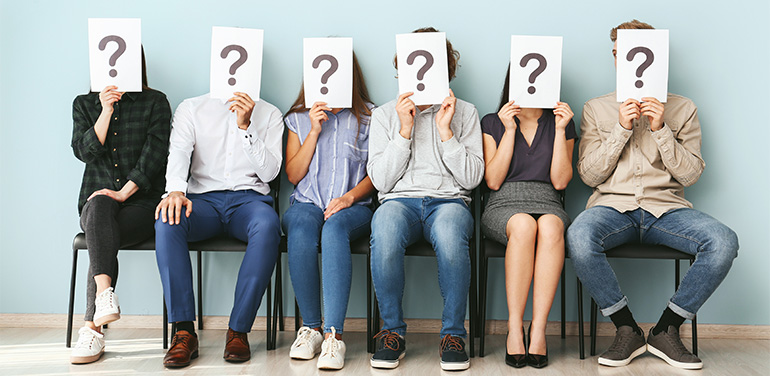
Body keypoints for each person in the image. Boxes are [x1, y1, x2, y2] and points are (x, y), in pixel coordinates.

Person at [566, 19, 739, 370]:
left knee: (723, 241)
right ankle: (625, 328)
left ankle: (667, 329)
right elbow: (588, 175)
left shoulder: (683, 108)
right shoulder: (596, 108)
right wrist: (620, 128)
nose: (621, 61)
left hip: (668, 210)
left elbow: (690, 174)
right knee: (579, 236)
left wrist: (661, 130)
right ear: (616, 56)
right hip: (613, 208)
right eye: (618, 54)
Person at [367, 27, 484, 371]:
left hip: (449, 202)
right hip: (397, 202)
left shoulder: (466, 113)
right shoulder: (385, 115)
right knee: (384, 229)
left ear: (445, 71)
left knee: (450, 235)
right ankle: (392, 332)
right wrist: (404, 130)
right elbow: (380, 180)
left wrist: (446, 131)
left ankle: (453, 335)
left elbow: (472, 179)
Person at [154, 89, 283, 368]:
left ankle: (239, 330)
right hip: (202, 202)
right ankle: (184, 330)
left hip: (249, 202)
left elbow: (270, 174)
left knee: (268, 224)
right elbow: (178, 152)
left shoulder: (270, 114)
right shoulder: (192, 107)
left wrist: (245, 126)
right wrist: (175, 191)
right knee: (167, 218)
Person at [70, 50, 171, 364]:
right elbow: (83, 151)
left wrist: (125, 192)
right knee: (99, 208)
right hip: (95, 202)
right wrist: (105, 110)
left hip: (140, 202)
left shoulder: (156, 103)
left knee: (102, 237)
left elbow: (155, 155)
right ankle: (104, 296)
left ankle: (91, 329)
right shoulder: (83, 104)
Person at [282, 53, 376, 370]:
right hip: (308, 203)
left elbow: (376, 175)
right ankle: (311, 329)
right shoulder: (297, 118)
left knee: (334, 229)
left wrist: (349, 198)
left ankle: (333, 336)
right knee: (301, 230)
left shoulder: (369, 117)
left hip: (353, 207)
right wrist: (313, 130)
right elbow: (293, 175)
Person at [480, 67, 576, 369]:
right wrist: (509, 130)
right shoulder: (493, 122)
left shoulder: (562, 123)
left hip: (548, 199)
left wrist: (561, 131)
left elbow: (560, 182)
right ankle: (514, 327)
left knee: (548, 225)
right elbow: (493, 181)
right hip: (503, 202)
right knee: (523, 223)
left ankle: (538, 329)